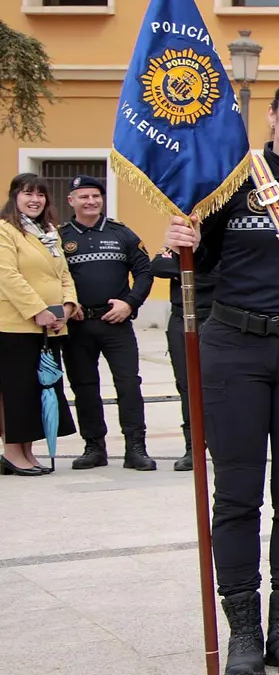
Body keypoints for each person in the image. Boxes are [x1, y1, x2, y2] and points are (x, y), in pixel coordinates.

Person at [161, 70, 279, 675]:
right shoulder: (229, 179)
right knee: (238, 495)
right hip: (234, 348)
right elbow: (196, 258)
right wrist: (180, 239)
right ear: (272, 115)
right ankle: (243, 627)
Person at [58, 176, 156, 471]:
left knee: (128, 385)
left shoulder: (121, 233)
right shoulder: (59, 237)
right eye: (83, 196)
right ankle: (94, 447)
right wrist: (66, 305)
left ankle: (136, 448)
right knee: (84, 387)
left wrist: (130, 303)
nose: (90, 201)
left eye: (95, 196)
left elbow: (144, 272)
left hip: (116, 324)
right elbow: (49, 276)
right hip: (77, 326)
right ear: (71, 201)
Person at [0, 174, 78, 475]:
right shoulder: (6, 230)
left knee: (38, 391)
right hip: (15, 326)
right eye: (27, 193)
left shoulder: (49, 232)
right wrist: (36, 310)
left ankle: (28, 452)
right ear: (14, 197)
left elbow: (63, 274)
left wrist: (68, 306)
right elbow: (7, 276)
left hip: (51, 326)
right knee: (15, 391)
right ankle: (11, 453)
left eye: (40, 194)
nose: (35, 199)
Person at [149, 248, 217, 471]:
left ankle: (222, 447)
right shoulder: (179, 244)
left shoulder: (222, 242)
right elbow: (158, 266)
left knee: (220, 386)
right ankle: (193, 447)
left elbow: (222, 273)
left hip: (215, 318)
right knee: (187, 386)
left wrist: (185, 272)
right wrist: (192, 270)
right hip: (181, 320)